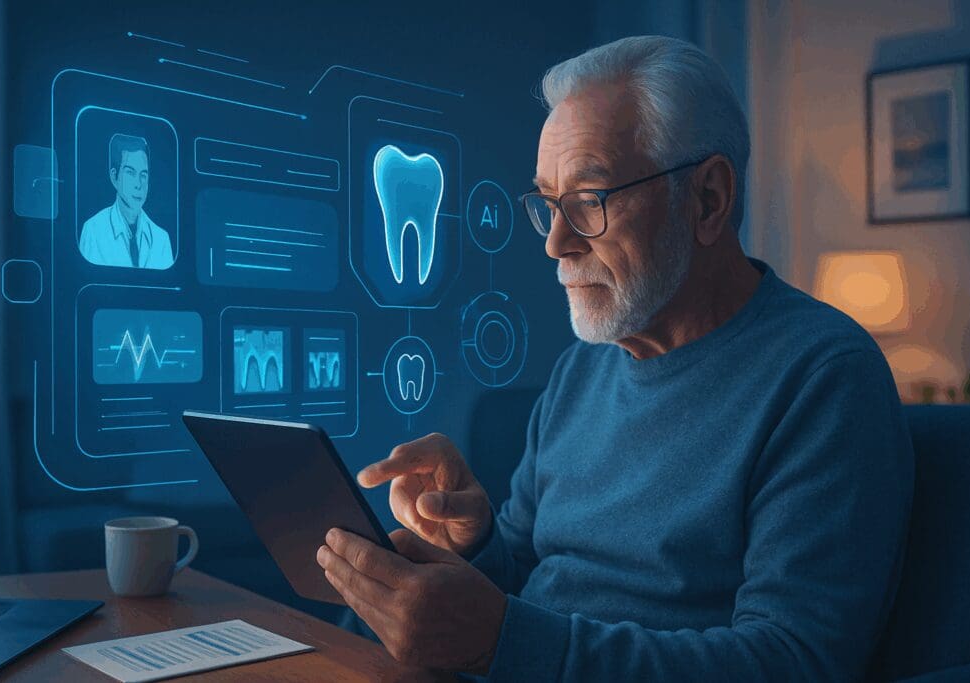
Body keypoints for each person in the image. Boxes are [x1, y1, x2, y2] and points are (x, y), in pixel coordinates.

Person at [316, 35, 914, 681]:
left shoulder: (824, 377)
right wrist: (476, 541)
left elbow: (793, 662)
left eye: (589, 200)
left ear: (708, 199)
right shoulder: (582, 369)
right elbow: (525, 584)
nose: (555, 243)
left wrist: (497, 640)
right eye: (549, 204)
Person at [79, 133, 173, 269]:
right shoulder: (93, 231)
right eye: (130, 173)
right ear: (114, 177)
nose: (138, 184)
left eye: (143, 175)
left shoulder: (161, 239)